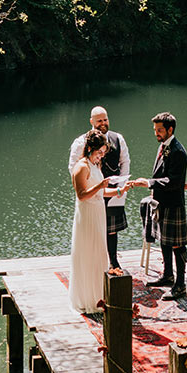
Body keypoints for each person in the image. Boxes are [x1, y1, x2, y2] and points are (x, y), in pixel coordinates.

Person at [128, 112, 187, 301]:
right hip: (160, 202)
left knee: (177, 245)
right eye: (155, 130)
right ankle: (167, 275)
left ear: (170, 129)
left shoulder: (178, 152)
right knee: (164, 241)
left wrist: (148, 183)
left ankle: (180, 285)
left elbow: (173, 181)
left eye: (160, 130)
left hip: (173, 204)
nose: (156, 133)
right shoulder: (164, 146)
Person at [68, 130, 130, 313]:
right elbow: (81, 195)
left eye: (103, 153)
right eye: (99, 153)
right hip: (87, 215)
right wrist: (100, 185)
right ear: (89, 149)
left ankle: (100, 295)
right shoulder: (82, 167)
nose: (101, 156)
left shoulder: (95, 165)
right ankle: (88, 298)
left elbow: (101, 192)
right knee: (89, 253)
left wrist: (120, 190)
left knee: (100, 253)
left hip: (98, 212)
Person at [68, 106, 131, 271]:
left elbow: (125, 163)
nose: (103, 123)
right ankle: (95, 264)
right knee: (93, 232)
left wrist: (121, 188)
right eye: (99, 121)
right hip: (91, 194)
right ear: (91, 121)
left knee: (111, 231)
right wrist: (87, 184)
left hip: (111, 192)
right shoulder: (81, 142)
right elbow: (73, 167)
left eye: (105, 119)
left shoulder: (118, 138)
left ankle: (113, 261)